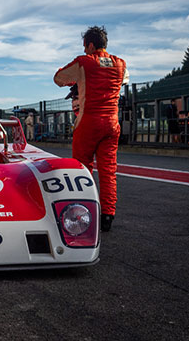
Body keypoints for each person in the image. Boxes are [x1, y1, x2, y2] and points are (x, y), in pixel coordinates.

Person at [54, 26, 129, 232]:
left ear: (91, 44)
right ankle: (108, 216)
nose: (85, 50)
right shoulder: (121, 64)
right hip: (112, 123)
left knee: (82, 169)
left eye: (85, 46)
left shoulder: (84, 62)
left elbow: (59, 78)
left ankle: (82, 214)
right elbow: (124, 80)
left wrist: (79, 79)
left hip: (88, 121)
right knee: (109, 171)